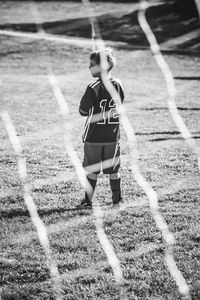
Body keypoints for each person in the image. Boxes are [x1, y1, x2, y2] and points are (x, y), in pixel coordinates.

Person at [78, 48, 124, 208]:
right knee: (113, 170)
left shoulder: (93, 87)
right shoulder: (118, 84)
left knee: (92, 170)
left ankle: (88, 201)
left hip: (94, 137)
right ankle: (117, 200)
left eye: (92, 65)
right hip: (112, 137)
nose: (89, 67)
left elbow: (83, 111)